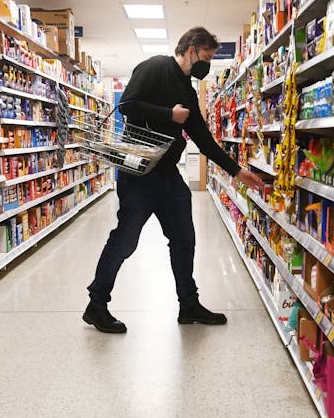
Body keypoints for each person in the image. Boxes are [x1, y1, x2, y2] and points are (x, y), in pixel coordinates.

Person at [83, 27, 263, 334]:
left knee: (184, 239)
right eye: (206, 56)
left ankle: (188, 305)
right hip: (139, 173)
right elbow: (127, 105)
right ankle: (96, 306)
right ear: (192, 48)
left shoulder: (189, 91)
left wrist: (236, 171)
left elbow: (204, 140)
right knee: (125, 240)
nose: (206, 64)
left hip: (168, 175)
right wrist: (169, 114)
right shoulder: (155, 67)